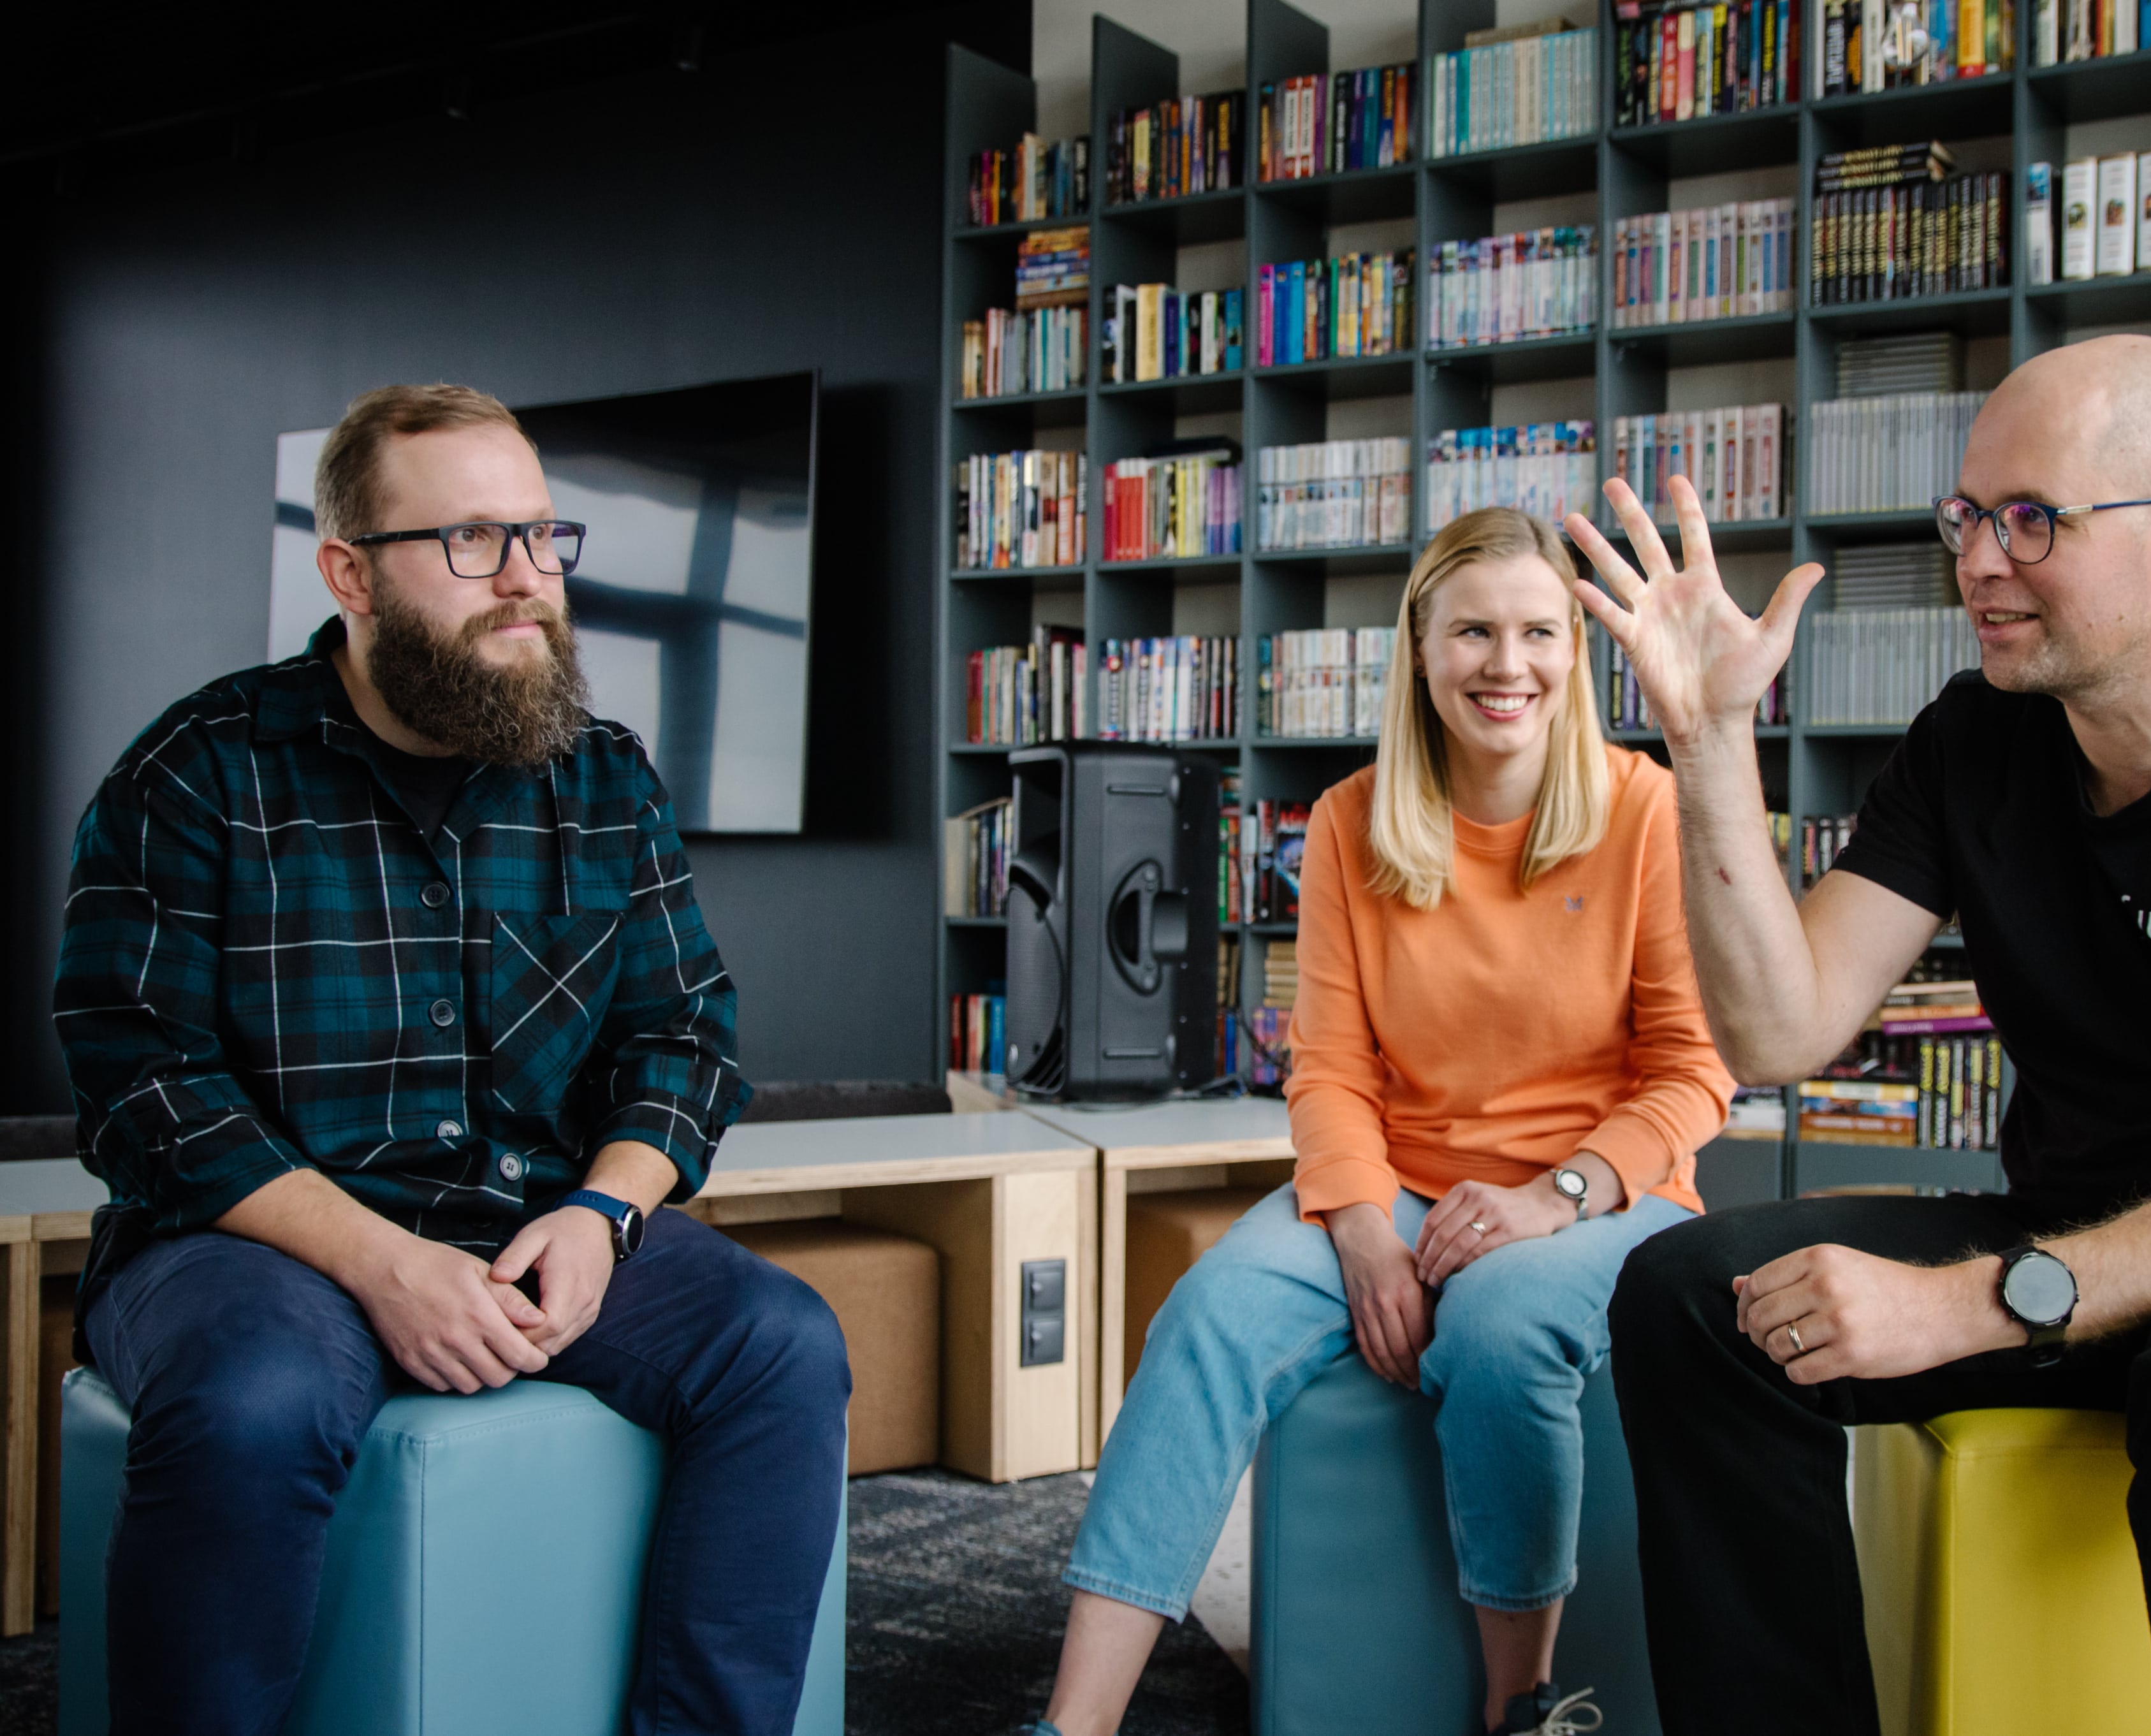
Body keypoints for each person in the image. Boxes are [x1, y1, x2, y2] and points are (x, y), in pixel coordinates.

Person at [1568, 333, 2151, 1736]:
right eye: (1965, 516)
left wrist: (1959, 1304)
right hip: (2071, 1237)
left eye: (2027, 520)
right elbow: (1779, 1028)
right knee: (1692, 1295)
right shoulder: (1972, 742)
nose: (1975, 562)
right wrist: (1707, 744)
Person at [55, 384, 850, 1736]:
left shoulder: (605, 779)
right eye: (474, 543)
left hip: (536, 1218)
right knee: (255, 1404)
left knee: (781, 1347)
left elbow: (684, 1036)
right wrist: (380, 1260)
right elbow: (142, 1082)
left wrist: (603, 1214)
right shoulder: (196, 772)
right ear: (349, 573)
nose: (527, 582)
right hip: (250, 1239)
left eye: (544, 539)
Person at [1027, 508, 1735, 1736]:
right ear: (1419, 647)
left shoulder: (1647, 812)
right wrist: (1360, 1230)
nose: (1504, 666)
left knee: (1503, 1331)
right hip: (1397, 1183)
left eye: (1536, 633)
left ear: (1578, 651)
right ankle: (1072, 1726)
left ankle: (1519, 1711)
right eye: (1472, 632)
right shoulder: (1354, 821)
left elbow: (1694, 1075)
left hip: (1601, 1197)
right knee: (1206, 1318)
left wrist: (1550, 1197)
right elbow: (1330, 1066)